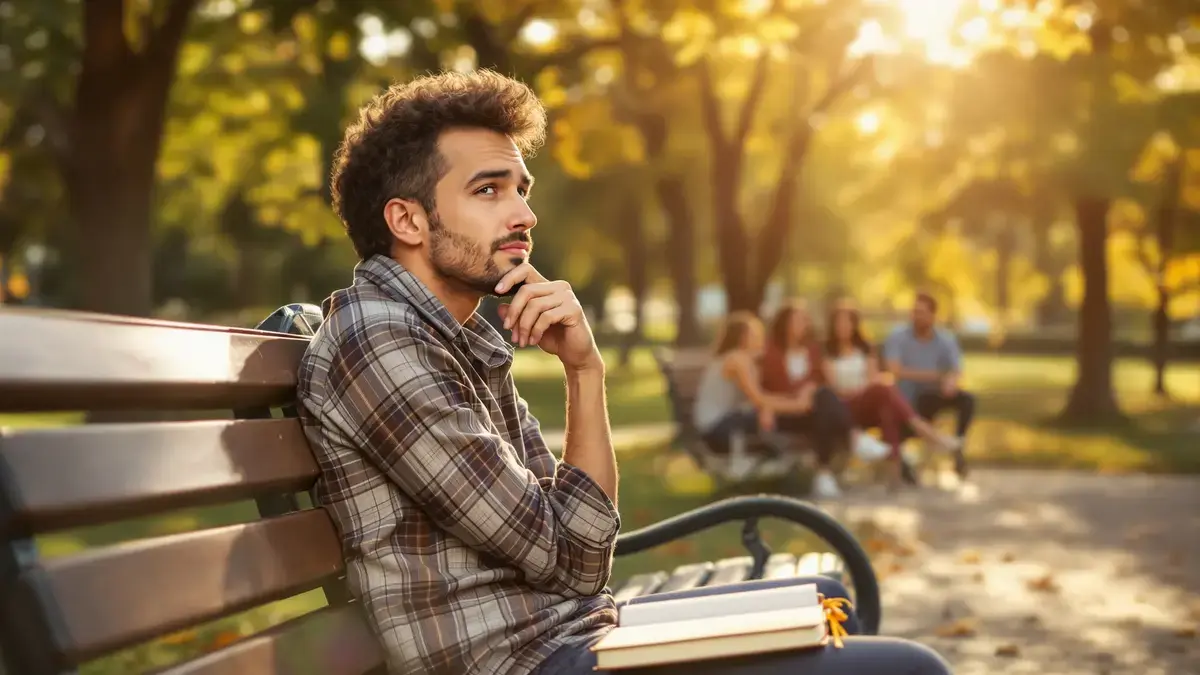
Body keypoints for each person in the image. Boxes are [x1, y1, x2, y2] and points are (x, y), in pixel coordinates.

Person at [297, 70, 952, 675]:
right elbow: (574, 559)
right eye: (488, 189)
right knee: (911, 668)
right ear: (407, 218)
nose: (524, 214)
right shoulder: (380, 344)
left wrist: (585, 370)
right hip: (526, 660)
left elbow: (577, 547)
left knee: (827, 598)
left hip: (571, 633)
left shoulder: (455, 338)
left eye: (521, 189)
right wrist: (571, 540)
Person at [695, 311, 853, 499]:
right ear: (744, 337)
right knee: (804, 412)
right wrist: (799, 405)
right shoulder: (737, 359)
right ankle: (847, 441)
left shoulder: (736, 358)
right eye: (755, 334)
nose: (761, 339)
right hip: (719, 429)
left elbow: (755, 399)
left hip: (722, 425)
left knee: (817, 403)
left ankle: (828, 456)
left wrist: (771, 407)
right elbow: (759, 398)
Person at [823, 302, 961, 487]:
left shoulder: (865, 349)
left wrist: (868, 389)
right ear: (832, 326)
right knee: (884, 390)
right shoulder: (826, 352)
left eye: (847, 322)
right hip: (841, 407)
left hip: (867, 403)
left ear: (854, 325)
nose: (843, 327)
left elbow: (871, 379)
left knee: (886, 407)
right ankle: (925, 432)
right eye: (839, 322)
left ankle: (894, 474)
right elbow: (834, 389)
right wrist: (864, 389)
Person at [761, 302, 890, 486]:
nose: (805, 324)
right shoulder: (772, 352)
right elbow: (766, 388)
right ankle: (854, 440)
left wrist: (810, 389)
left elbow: (819, 381)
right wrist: (773, 404)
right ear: (786, 323)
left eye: (805, 320)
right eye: (799, 320)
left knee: (824, 402)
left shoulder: (813, 350)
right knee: (825, 401)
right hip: (785, 413)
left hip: (810, 411)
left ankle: (824, 473)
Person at [883, 293, 974, 478]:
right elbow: (896, 371)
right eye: (914, 311)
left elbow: (956, 368)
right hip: (909, 398)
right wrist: (937, 375)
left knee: (967, 400)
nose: (916, 316)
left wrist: (950, 381)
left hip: (934, 396)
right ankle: (906, 463)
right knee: (900, 418)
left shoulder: (945, 339)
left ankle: (958, 445)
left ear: (933, 315)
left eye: (921, 312)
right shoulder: (898, 336)